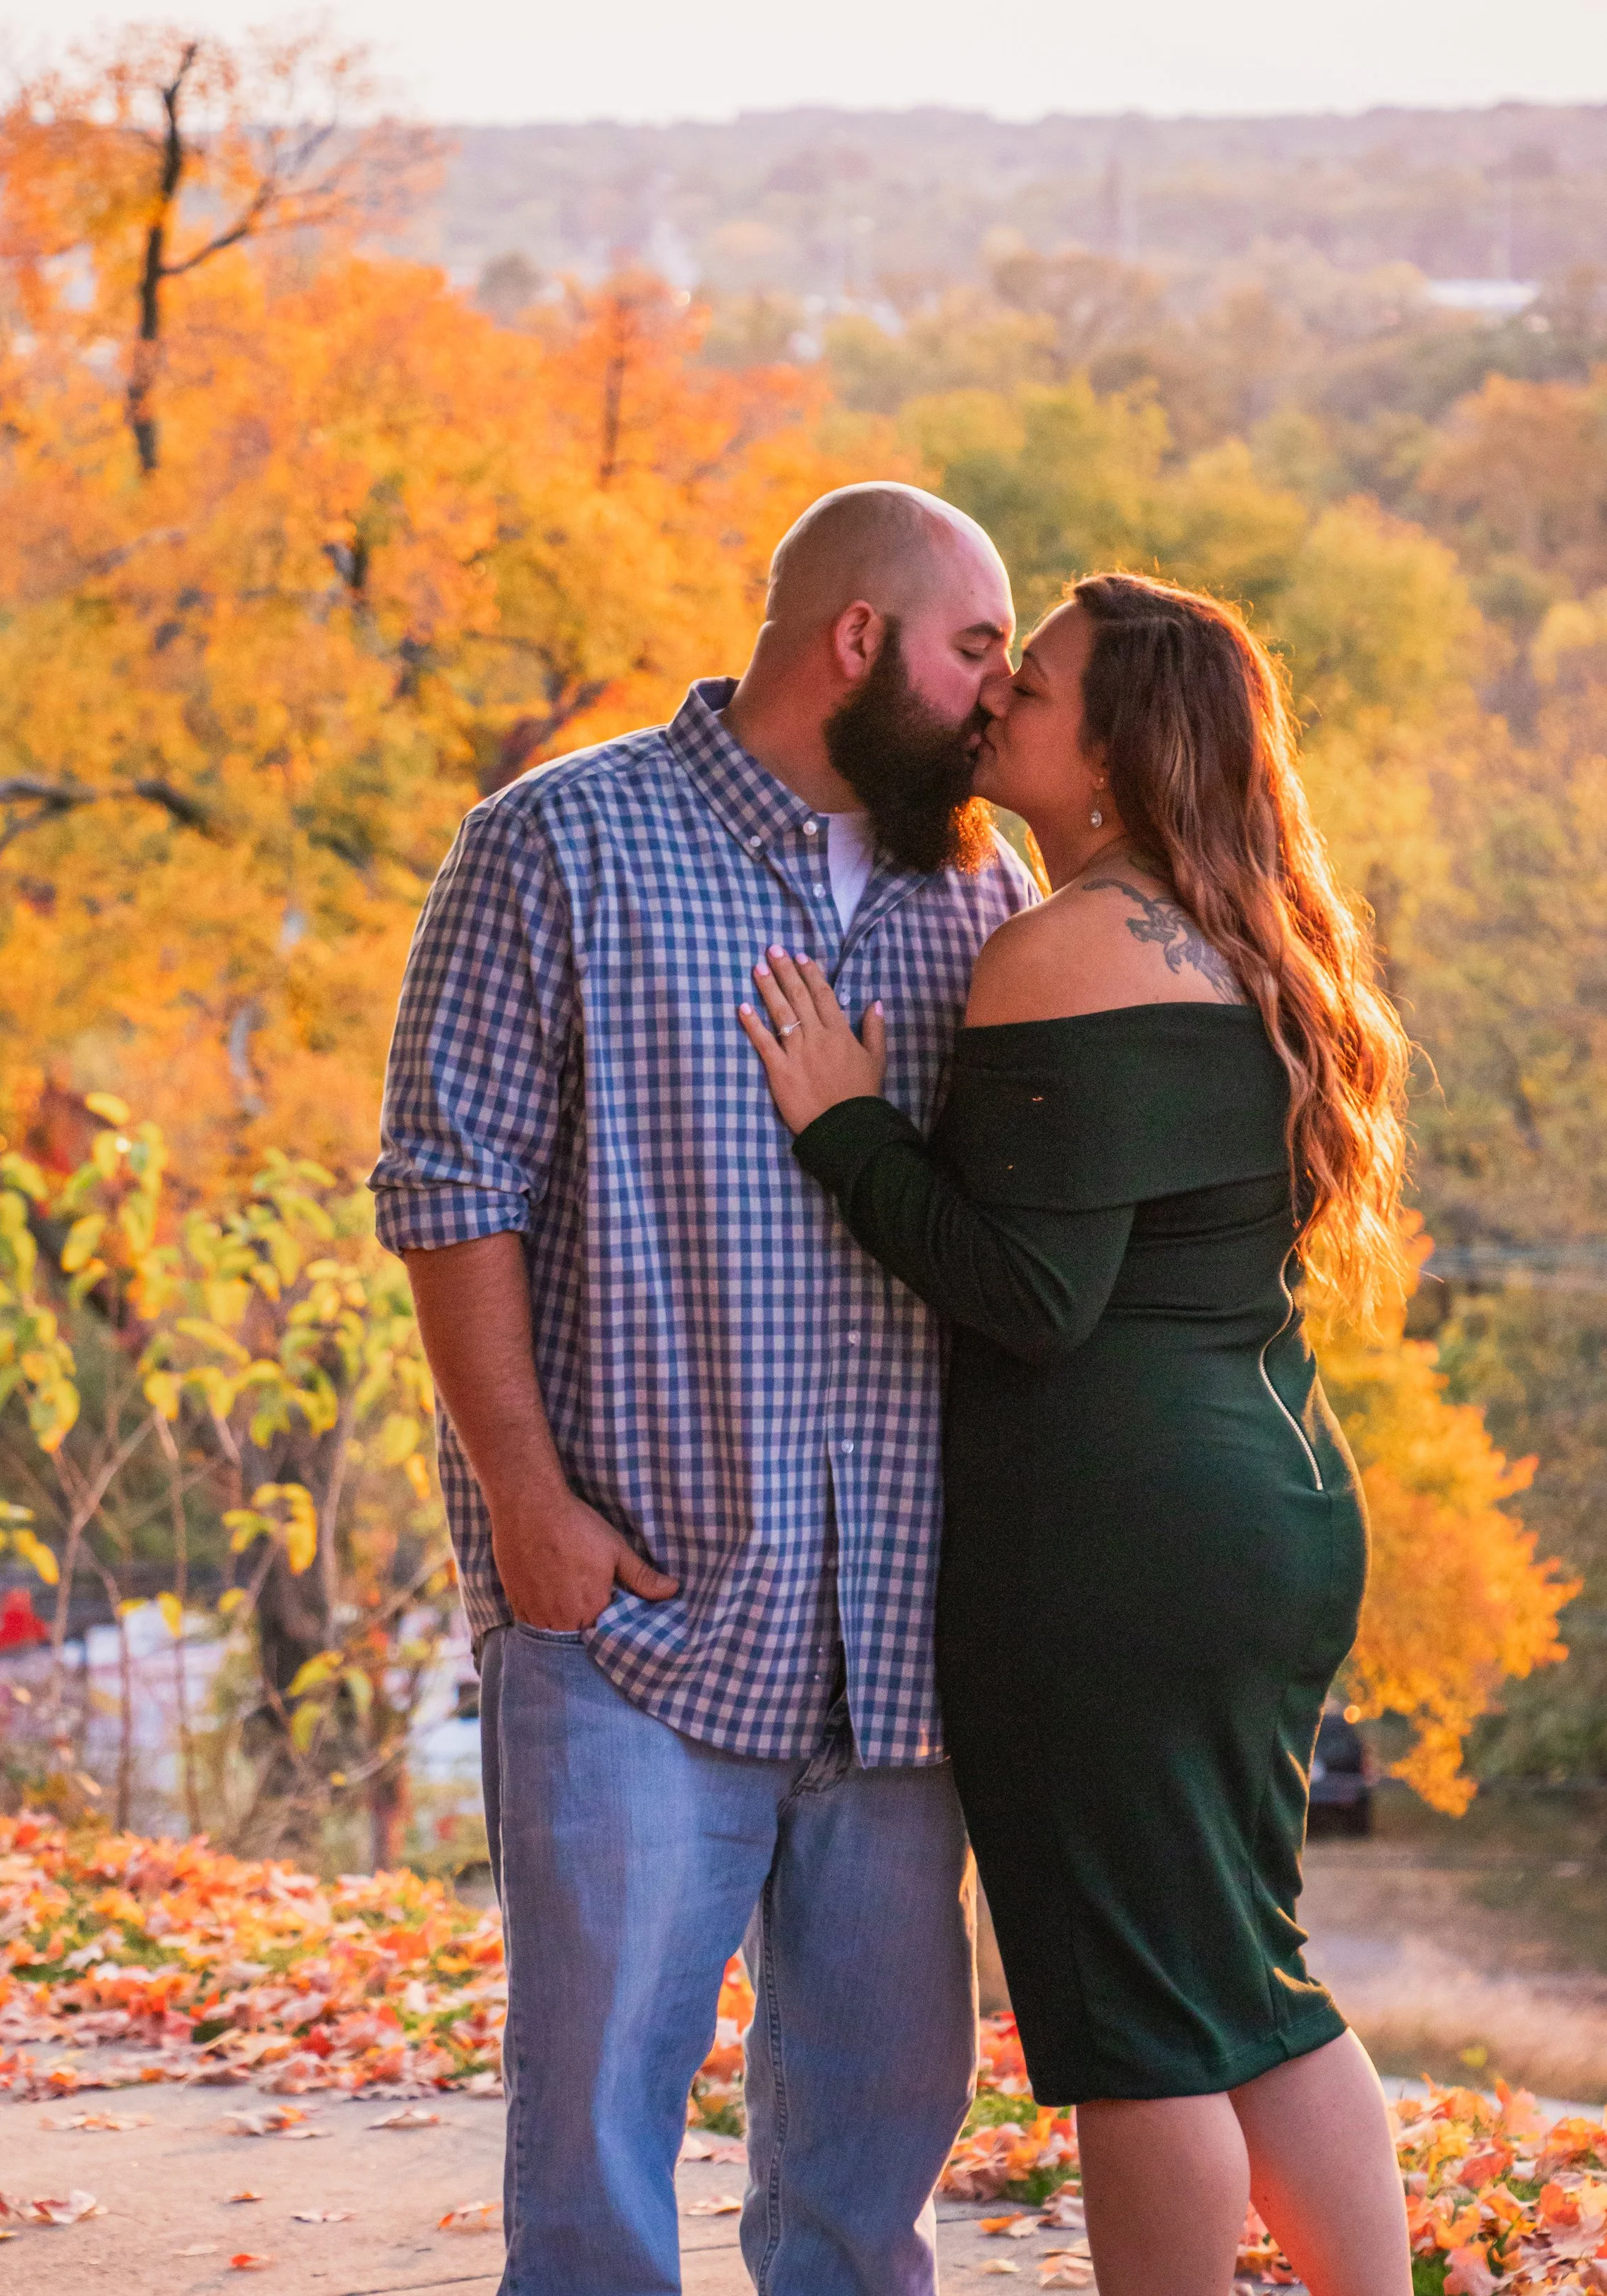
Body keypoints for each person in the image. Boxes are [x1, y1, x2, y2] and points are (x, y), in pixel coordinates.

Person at [370, 482, 1038, 2295]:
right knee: (592, 2150)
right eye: (977, 647)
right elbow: (449, 1186)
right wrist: (526, 1501)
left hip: (897, 1636)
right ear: (855, 641)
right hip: (631, 1616)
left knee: (872, 2161)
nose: (1001, 692)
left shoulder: (983, 881)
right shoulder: (552, 842)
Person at [740, 571, 1414, 2296]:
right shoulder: (1250, 940)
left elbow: (1030, 1292)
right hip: (1263, 1504)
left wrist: (844, 1124)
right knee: (1240, 1967)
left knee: (1131, 2014)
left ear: (1109, 749)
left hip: (1114, 1547)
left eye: (1027, 686)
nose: (991, 708)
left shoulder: (1057, 950)